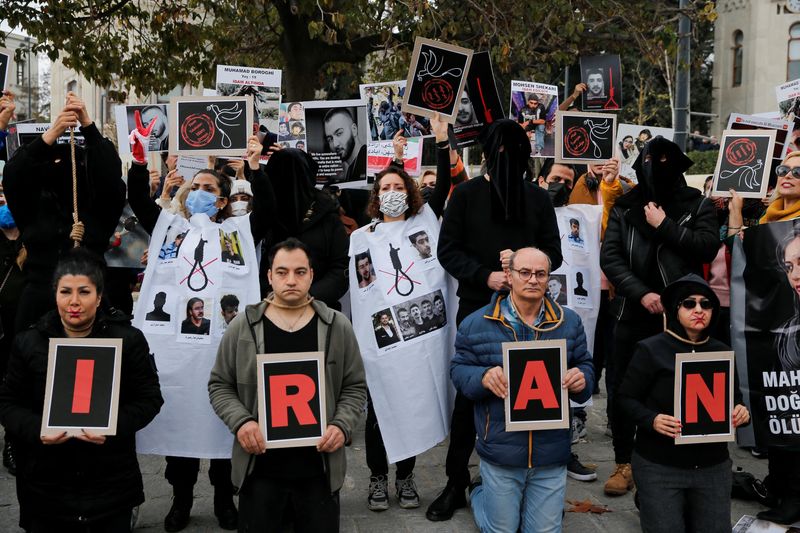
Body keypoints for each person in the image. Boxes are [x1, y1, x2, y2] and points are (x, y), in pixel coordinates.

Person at [127, 137, 270, 532]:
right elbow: (138, 201)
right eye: (197, 188)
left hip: (222, 353)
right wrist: (140, 163)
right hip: (178, 357)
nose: (201, 193)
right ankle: (181, 499)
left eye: (210, 189)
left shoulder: (239, 232)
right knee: (181, 422)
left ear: (223, 201)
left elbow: (271, 211)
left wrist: (255, 168)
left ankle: (225, 499)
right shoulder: (168, 227)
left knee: (224, 425)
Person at [431, 119, 562, 521]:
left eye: (514, 152)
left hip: (532, 312)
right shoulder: (467, 195)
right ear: (487, 155)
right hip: (478, 309)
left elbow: (553, 253)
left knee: (532, 390)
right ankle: (457, 479)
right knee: (472, 391)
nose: (507, 159)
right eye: (500, 152)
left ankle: (527, 475)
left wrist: (526, 265)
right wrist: (483, 275)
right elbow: (447, 250)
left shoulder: (537, 200)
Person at [209, 238, 367, 532]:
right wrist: (242, 423)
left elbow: (355, 386)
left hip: (318, 472)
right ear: (269, 276)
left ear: (311, 275)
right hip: (260, 471)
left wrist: (342, 424)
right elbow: (220, 385)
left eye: (300, 272)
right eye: (282, 272)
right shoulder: (243, 326)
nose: (291, 280)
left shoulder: (336, 325)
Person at [0, 249, 163, 532]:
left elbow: (149, 399)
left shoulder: (128, 340)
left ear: (99, 297)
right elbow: (7, 403)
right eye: (66, 292)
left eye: (84, 292)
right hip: (44, 485)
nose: (74, 302)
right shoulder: (29, 342)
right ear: (55, 295)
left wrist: (112, 426)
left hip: (110, 483)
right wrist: (38, 429)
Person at [600, 137, 719, 496]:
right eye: (649, 160)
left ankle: (669, 462)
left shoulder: (697, 205)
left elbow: (706, 246)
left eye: (664, 160)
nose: (656, 166)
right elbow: (612, 257)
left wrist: (665, 224)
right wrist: (643, 293)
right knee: (622, 387)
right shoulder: (625, 206)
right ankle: (624, 462)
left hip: (681, 316)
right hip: (631, 311)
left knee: (674, 388)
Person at [349, 113, 456, 513]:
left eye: (398, 185)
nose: (392, 191)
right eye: (385, 186)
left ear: (409, 191)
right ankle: (378, 477)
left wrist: (441, 142)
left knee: (412, 406)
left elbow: (443, 186)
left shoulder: (425, 220)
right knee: (381, 411)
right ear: (376, 194)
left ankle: (406, 475)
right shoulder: (363, 237)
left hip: (423, 338)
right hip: (384, 342)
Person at [450, 247, 593, 533]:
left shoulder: (569, 322)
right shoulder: (476, 324)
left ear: (548, 278)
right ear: (509, 276)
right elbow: (458, 371)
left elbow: (585, 364)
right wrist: (482, 377)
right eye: (524, 272)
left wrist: (582, 379)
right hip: (501, 448)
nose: (533, 280)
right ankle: (479, 493)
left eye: (540, 274)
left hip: (551, 450)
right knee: (501, 530)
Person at [618, 274, 750, 533]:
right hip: (659, 465)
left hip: (713, 466)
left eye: (706, 304)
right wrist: (652, 419)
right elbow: (625, 398)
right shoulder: (650, 349)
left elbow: (734, 397)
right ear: (675, 309)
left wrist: (740, 410)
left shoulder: (721, 351)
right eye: (689, 304)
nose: (699, 310)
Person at [4, 92, 126, 329]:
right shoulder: (32, 205)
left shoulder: (98, 204)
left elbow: (110, 173)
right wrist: (52, 133)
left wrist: (88, 125)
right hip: (39, 301)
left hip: (91, 300)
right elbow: (13, 175)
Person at [249, 148, 349, 308]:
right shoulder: (263, 217)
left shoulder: (328, 217)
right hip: (269, 309)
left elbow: (340, 267)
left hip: (319, 311)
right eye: (282, 172)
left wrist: (307, 298)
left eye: (296, 172)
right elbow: (249, 261)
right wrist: (273, 297)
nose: (289, 180)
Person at [324, 108, 367, 183]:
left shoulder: (366, 161)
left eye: (339, 133)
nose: (335, 144)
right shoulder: (351, 169)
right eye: (330, 139)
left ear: (354, 130)